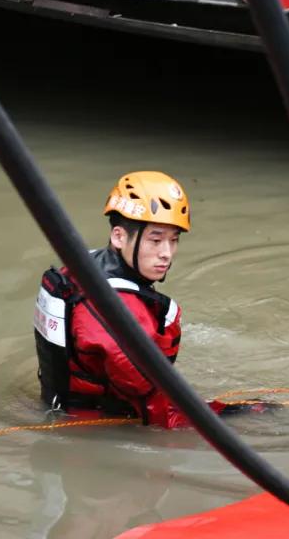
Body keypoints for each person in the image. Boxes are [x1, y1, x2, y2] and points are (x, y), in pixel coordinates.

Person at [32, 170, 197, 428]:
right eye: (155, 240)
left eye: (173, 240)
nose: (167, 253)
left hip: (69, 409)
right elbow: (155, 409)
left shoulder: (84, 265)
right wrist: (240, 415)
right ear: (119, 237)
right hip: (96, 426)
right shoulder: (116, 311)